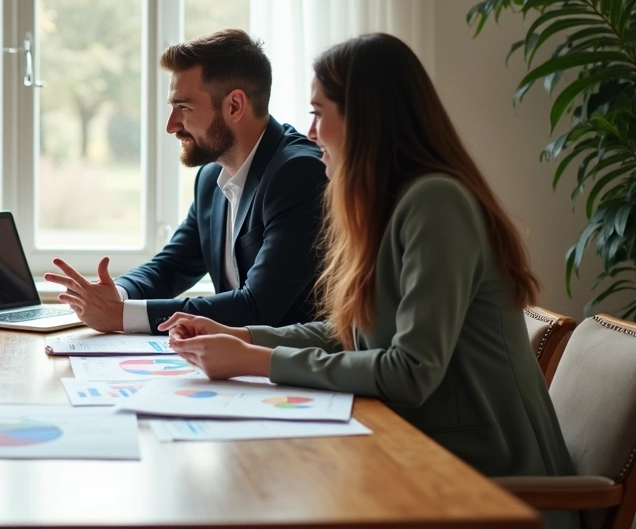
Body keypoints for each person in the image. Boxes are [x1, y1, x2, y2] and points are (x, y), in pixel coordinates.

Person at [161, 33, 576, 489]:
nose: (310, 132)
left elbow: (410, 371)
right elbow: (349, 333)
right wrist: (239, 336)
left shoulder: (436, 202)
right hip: (420, 456)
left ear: (364, 119)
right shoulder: (384, 206)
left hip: (490, 483)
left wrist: (255, 360)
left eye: (318, 114)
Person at [45, 29, 326, 334]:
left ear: (234, 106)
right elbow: (172, 265)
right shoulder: (210, 178)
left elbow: (258, 306)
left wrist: (121, 316)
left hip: (291, 371)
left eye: (185, 108)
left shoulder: (298, 172)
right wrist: (118, 294)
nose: (171, 126)